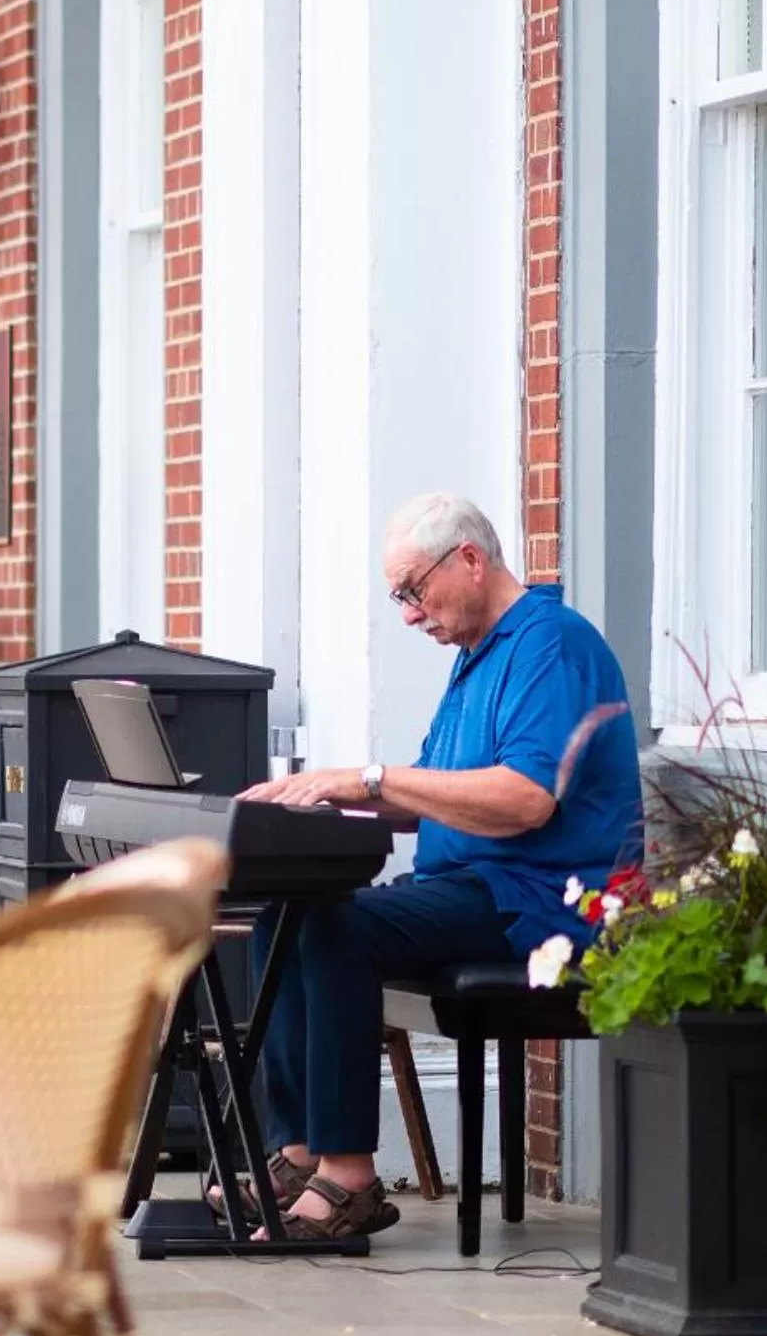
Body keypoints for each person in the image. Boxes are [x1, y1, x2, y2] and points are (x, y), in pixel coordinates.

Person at [231, 493, 640, 1240]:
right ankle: (296, 1155)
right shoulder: (478, 656)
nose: (411, 614)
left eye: (414, 590)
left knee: (337, 930)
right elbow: (431, 792)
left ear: (471, 560)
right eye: (400, 597)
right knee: (283, 916)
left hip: (543, 900)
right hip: (475, 890)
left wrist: (370, 779)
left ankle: (349, 1180)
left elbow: (525, 800)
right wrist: (317, 796)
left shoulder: (549, 644)